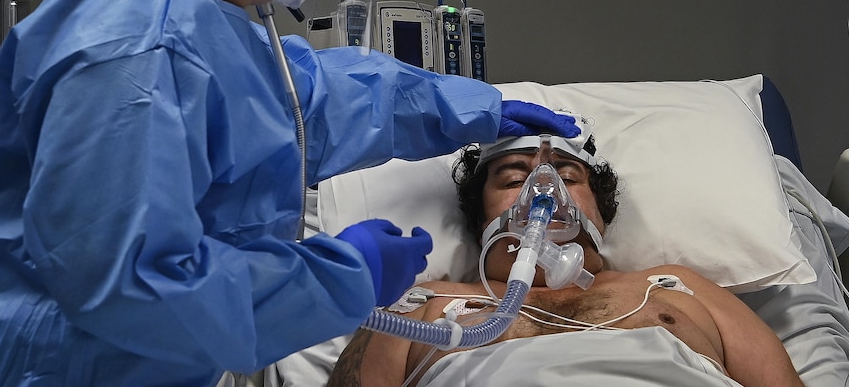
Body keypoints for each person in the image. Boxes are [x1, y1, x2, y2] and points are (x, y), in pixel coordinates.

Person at [0, 0, 579, 385]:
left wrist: (466, 107)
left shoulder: (194, 13)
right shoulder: (136, 44)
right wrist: (343, 278)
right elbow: (133, 290)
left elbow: (302, 108)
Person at [327, 120, 806, 387]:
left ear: (599, 208)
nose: (544, 191)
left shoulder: (675, 286)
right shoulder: (424, 303)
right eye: (515, 179)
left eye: (569, 177)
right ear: (481, 216)